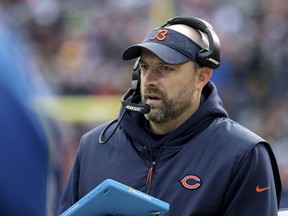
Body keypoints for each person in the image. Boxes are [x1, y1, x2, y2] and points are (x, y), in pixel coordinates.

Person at [58, 16, 282, 215]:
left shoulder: (243, 154)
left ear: (201, 77)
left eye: (166, 68)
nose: (149, 80)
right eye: (145, 67)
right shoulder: (94, 146)